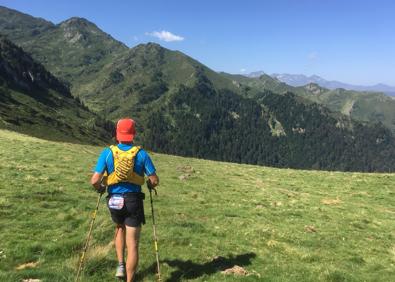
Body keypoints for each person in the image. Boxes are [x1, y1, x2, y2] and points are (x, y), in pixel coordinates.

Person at [91, 118, 159, 282]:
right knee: (133, 243)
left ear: (117, 133)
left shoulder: (107, 152)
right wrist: (150, 184)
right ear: (133, 134)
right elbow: (154, 180)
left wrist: (101, 188)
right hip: (133, 201)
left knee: (119, 228)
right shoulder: (141, 154)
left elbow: (94, 180)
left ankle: (120, 265)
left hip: (114, 200)